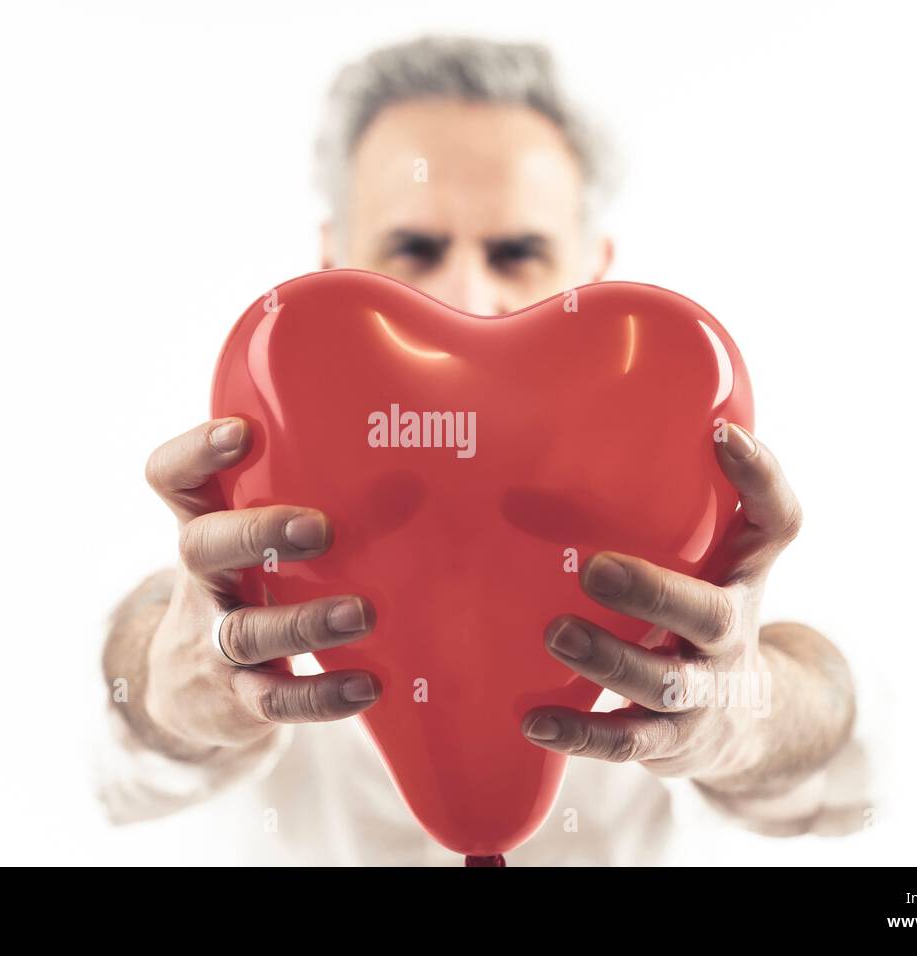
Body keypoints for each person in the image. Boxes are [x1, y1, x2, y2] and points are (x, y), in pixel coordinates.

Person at [96, 35, 869, 865]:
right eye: (414, 249)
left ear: (595, 273)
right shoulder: (244, 504)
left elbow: (856, 738)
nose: (466, 292)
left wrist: (746, 712)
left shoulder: (704, 507)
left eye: (517, 252)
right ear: (330, 262)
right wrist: (171, 687)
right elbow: (109, 749)